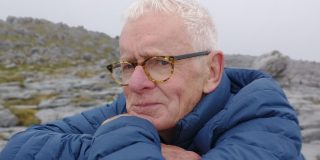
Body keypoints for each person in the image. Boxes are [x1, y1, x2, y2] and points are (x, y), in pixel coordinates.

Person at [0, 0, 304, 159]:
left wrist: (112, 138)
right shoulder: (127, 111)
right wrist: (130, 137)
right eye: (129, 65)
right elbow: (20, 149)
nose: (135, 83)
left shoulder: (265, 121)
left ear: (211, 71)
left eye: (160, 63)